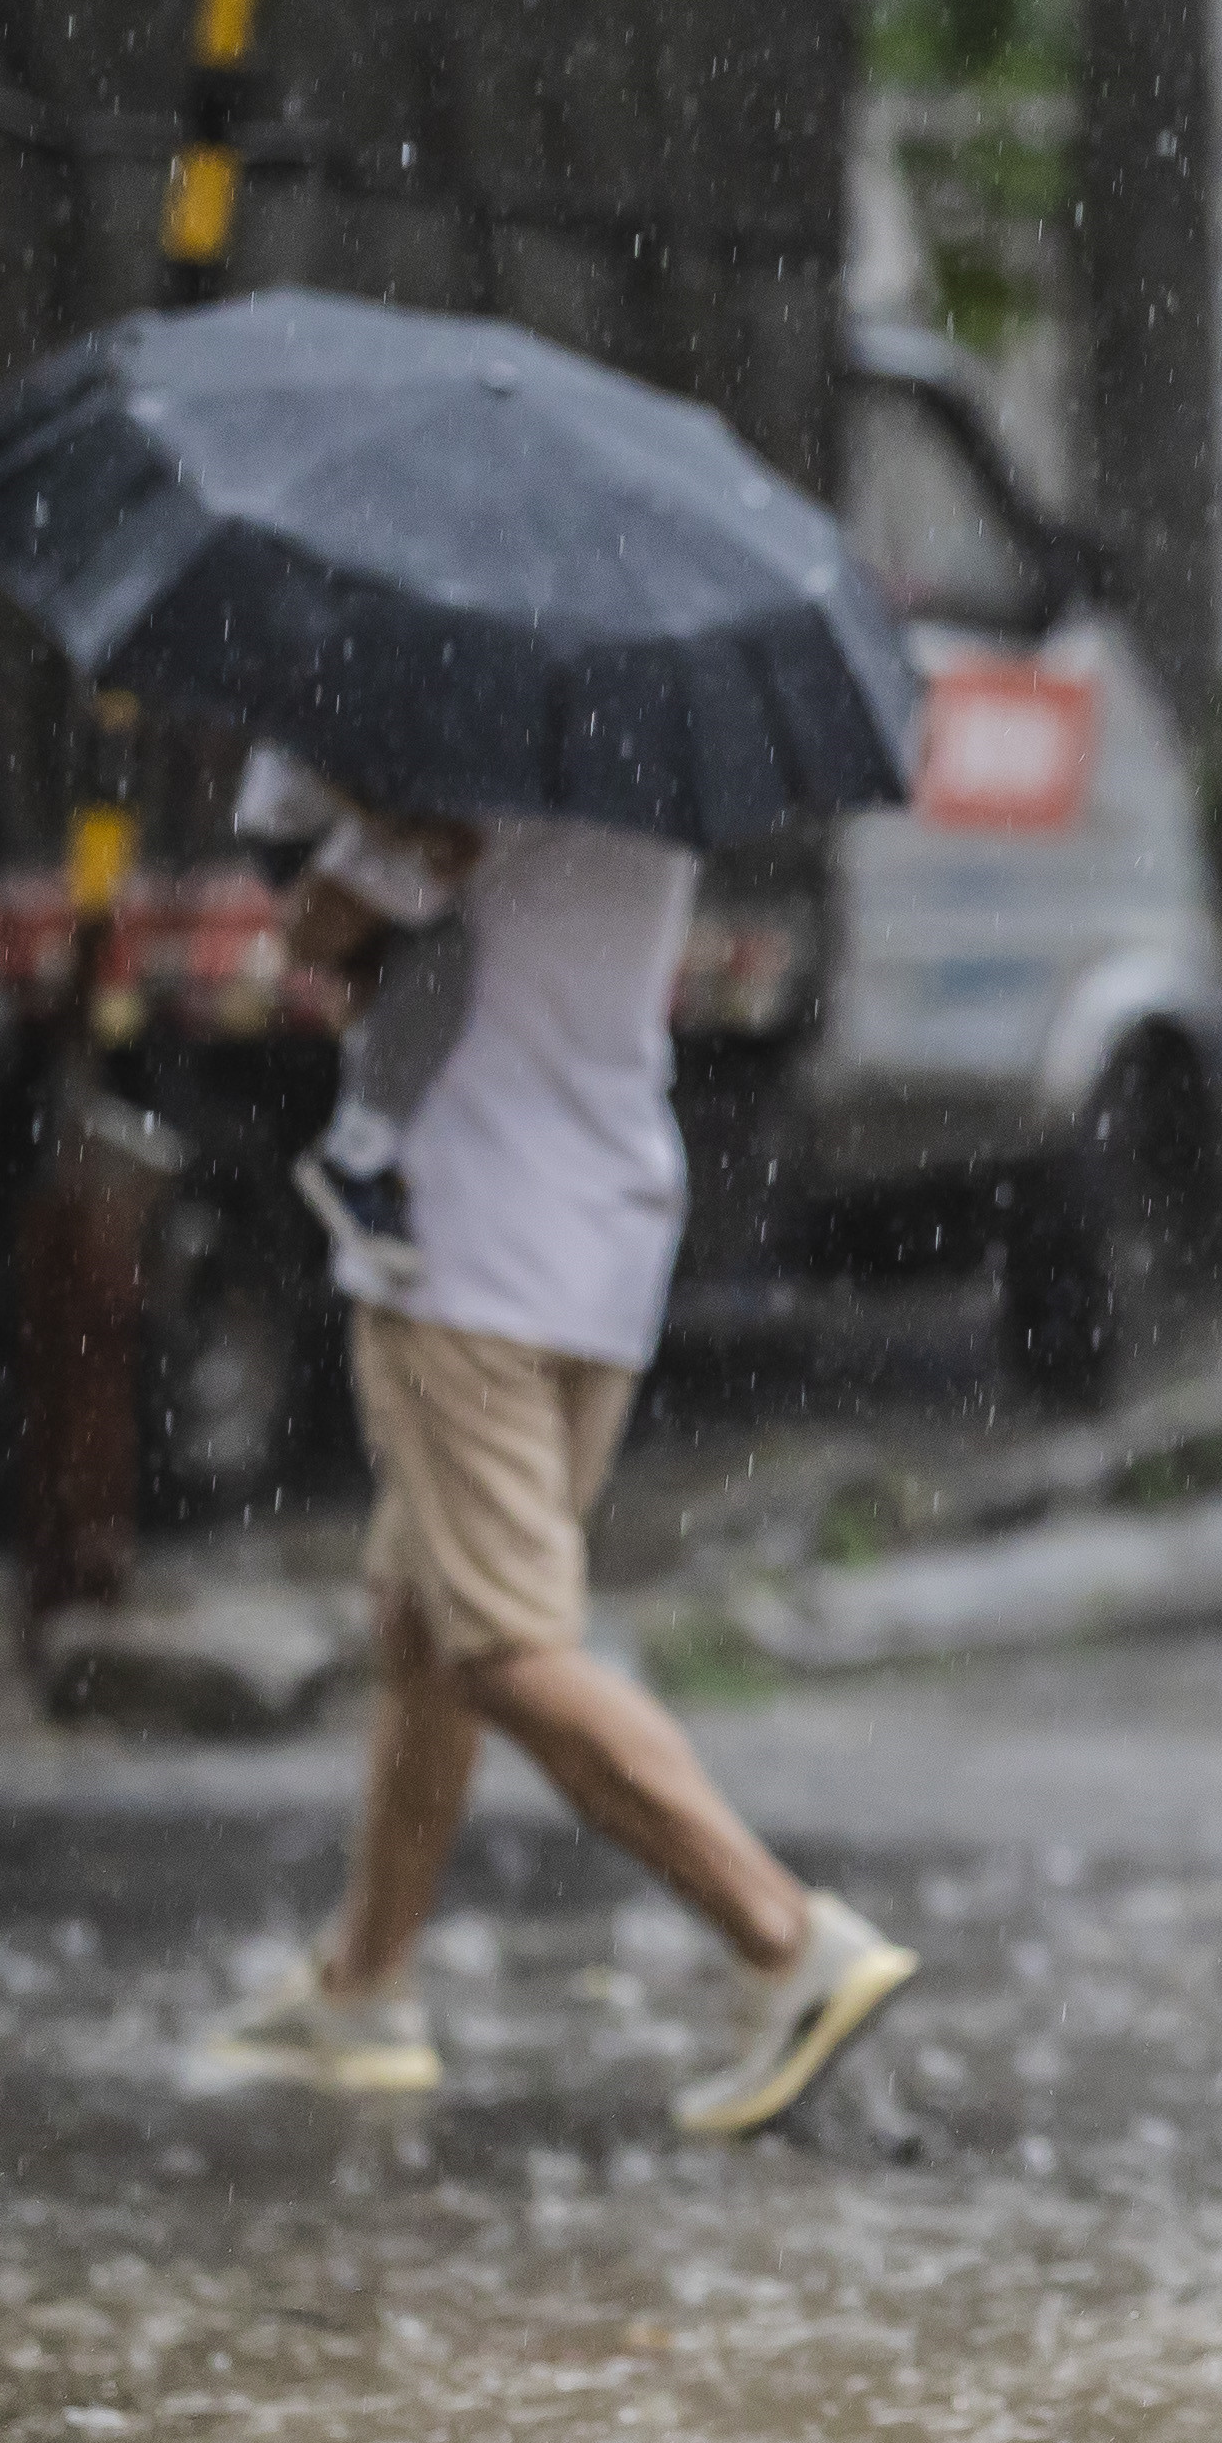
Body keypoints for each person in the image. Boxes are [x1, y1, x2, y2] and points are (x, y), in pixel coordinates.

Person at [199, 742, 916, 2134]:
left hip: (464, 1237)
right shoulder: (643, 751)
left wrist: (345, 859)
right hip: (605, 1230)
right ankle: (364, 1988)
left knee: (506, 1647)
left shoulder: (457, 756)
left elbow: (317, 940)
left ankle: (784, 1940)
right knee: (425, 1619)